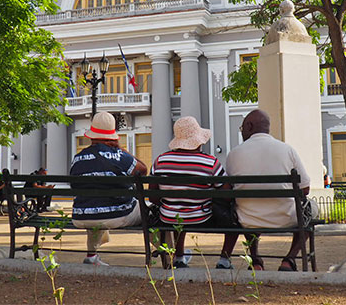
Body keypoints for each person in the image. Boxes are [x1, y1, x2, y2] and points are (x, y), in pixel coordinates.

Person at [221, 109, 312, 272]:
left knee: (245, 207)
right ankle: (289, 259)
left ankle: (255, 260)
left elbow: (229, 192)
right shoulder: (287, 150)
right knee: (309, 212)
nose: (242, 133)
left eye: (242, 129)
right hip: (285, 217)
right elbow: (305, 189)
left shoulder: (234, 154)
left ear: (249, 126)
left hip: (248, 219)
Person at [150, 116, 230, 269]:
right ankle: (224, 260)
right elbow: (226, 194)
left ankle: (179, 257)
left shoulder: (160, 161)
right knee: (231, 216)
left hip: (168, 217)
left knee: (178, 213)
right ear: (199, 140)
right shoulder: (210, 162)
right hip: (201, 217)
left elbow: (153, 197)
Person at [70, 111, 147, 266]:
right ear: (112, 136)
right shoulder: (119, 156)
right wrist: (124, 151)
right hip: (116, 215)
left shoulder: (78, 158)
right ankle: (170, 253)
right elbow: (143, 170)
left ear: (91, 135)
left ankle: (91, 255)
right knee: (148, 209)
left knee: (95, 205)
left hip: (81, 216)